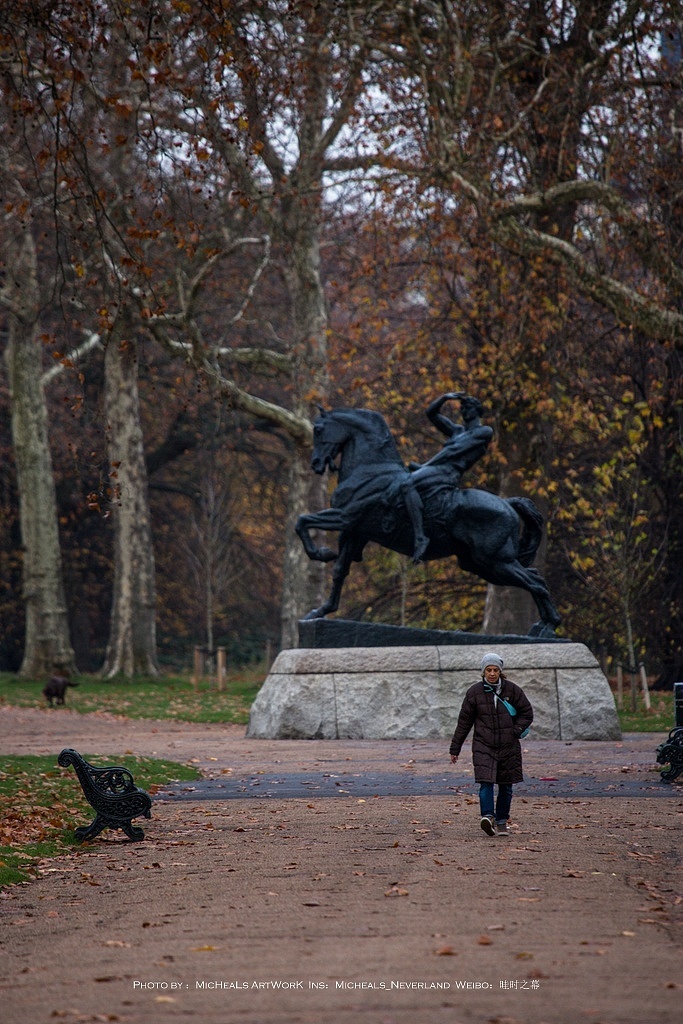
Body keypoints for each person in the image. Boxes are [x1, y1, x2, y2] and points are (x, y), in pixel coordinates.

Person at [400, 392, 493, 562]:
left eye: (467, 408)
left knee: (408, 484)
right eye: (462, 408)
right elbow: (431, 414)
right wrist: (444, 398)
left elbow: (454, 451)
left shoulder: (484, 432)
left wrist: (424, 466)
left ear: (477, 411)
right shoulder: (457, 431)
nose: (464, 411)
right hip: (438, 469)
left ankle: (421, 537)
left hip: (449, 473)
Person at [449, 652, 533, 836]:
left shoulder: (513, 690)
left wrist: (515, 731)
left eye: (495, 670)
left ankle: (502, 821)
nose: (492, 673)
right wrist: (455, 749)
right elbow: (464, 723)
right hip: (483, 745)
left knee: (506, 785)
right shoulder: (474, 693)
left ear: (500, 671)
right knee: (485, 782)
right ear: (483, 672)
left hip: (508, 745)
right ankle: (487, 817)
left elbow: (527, 713)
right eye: (489, 670)